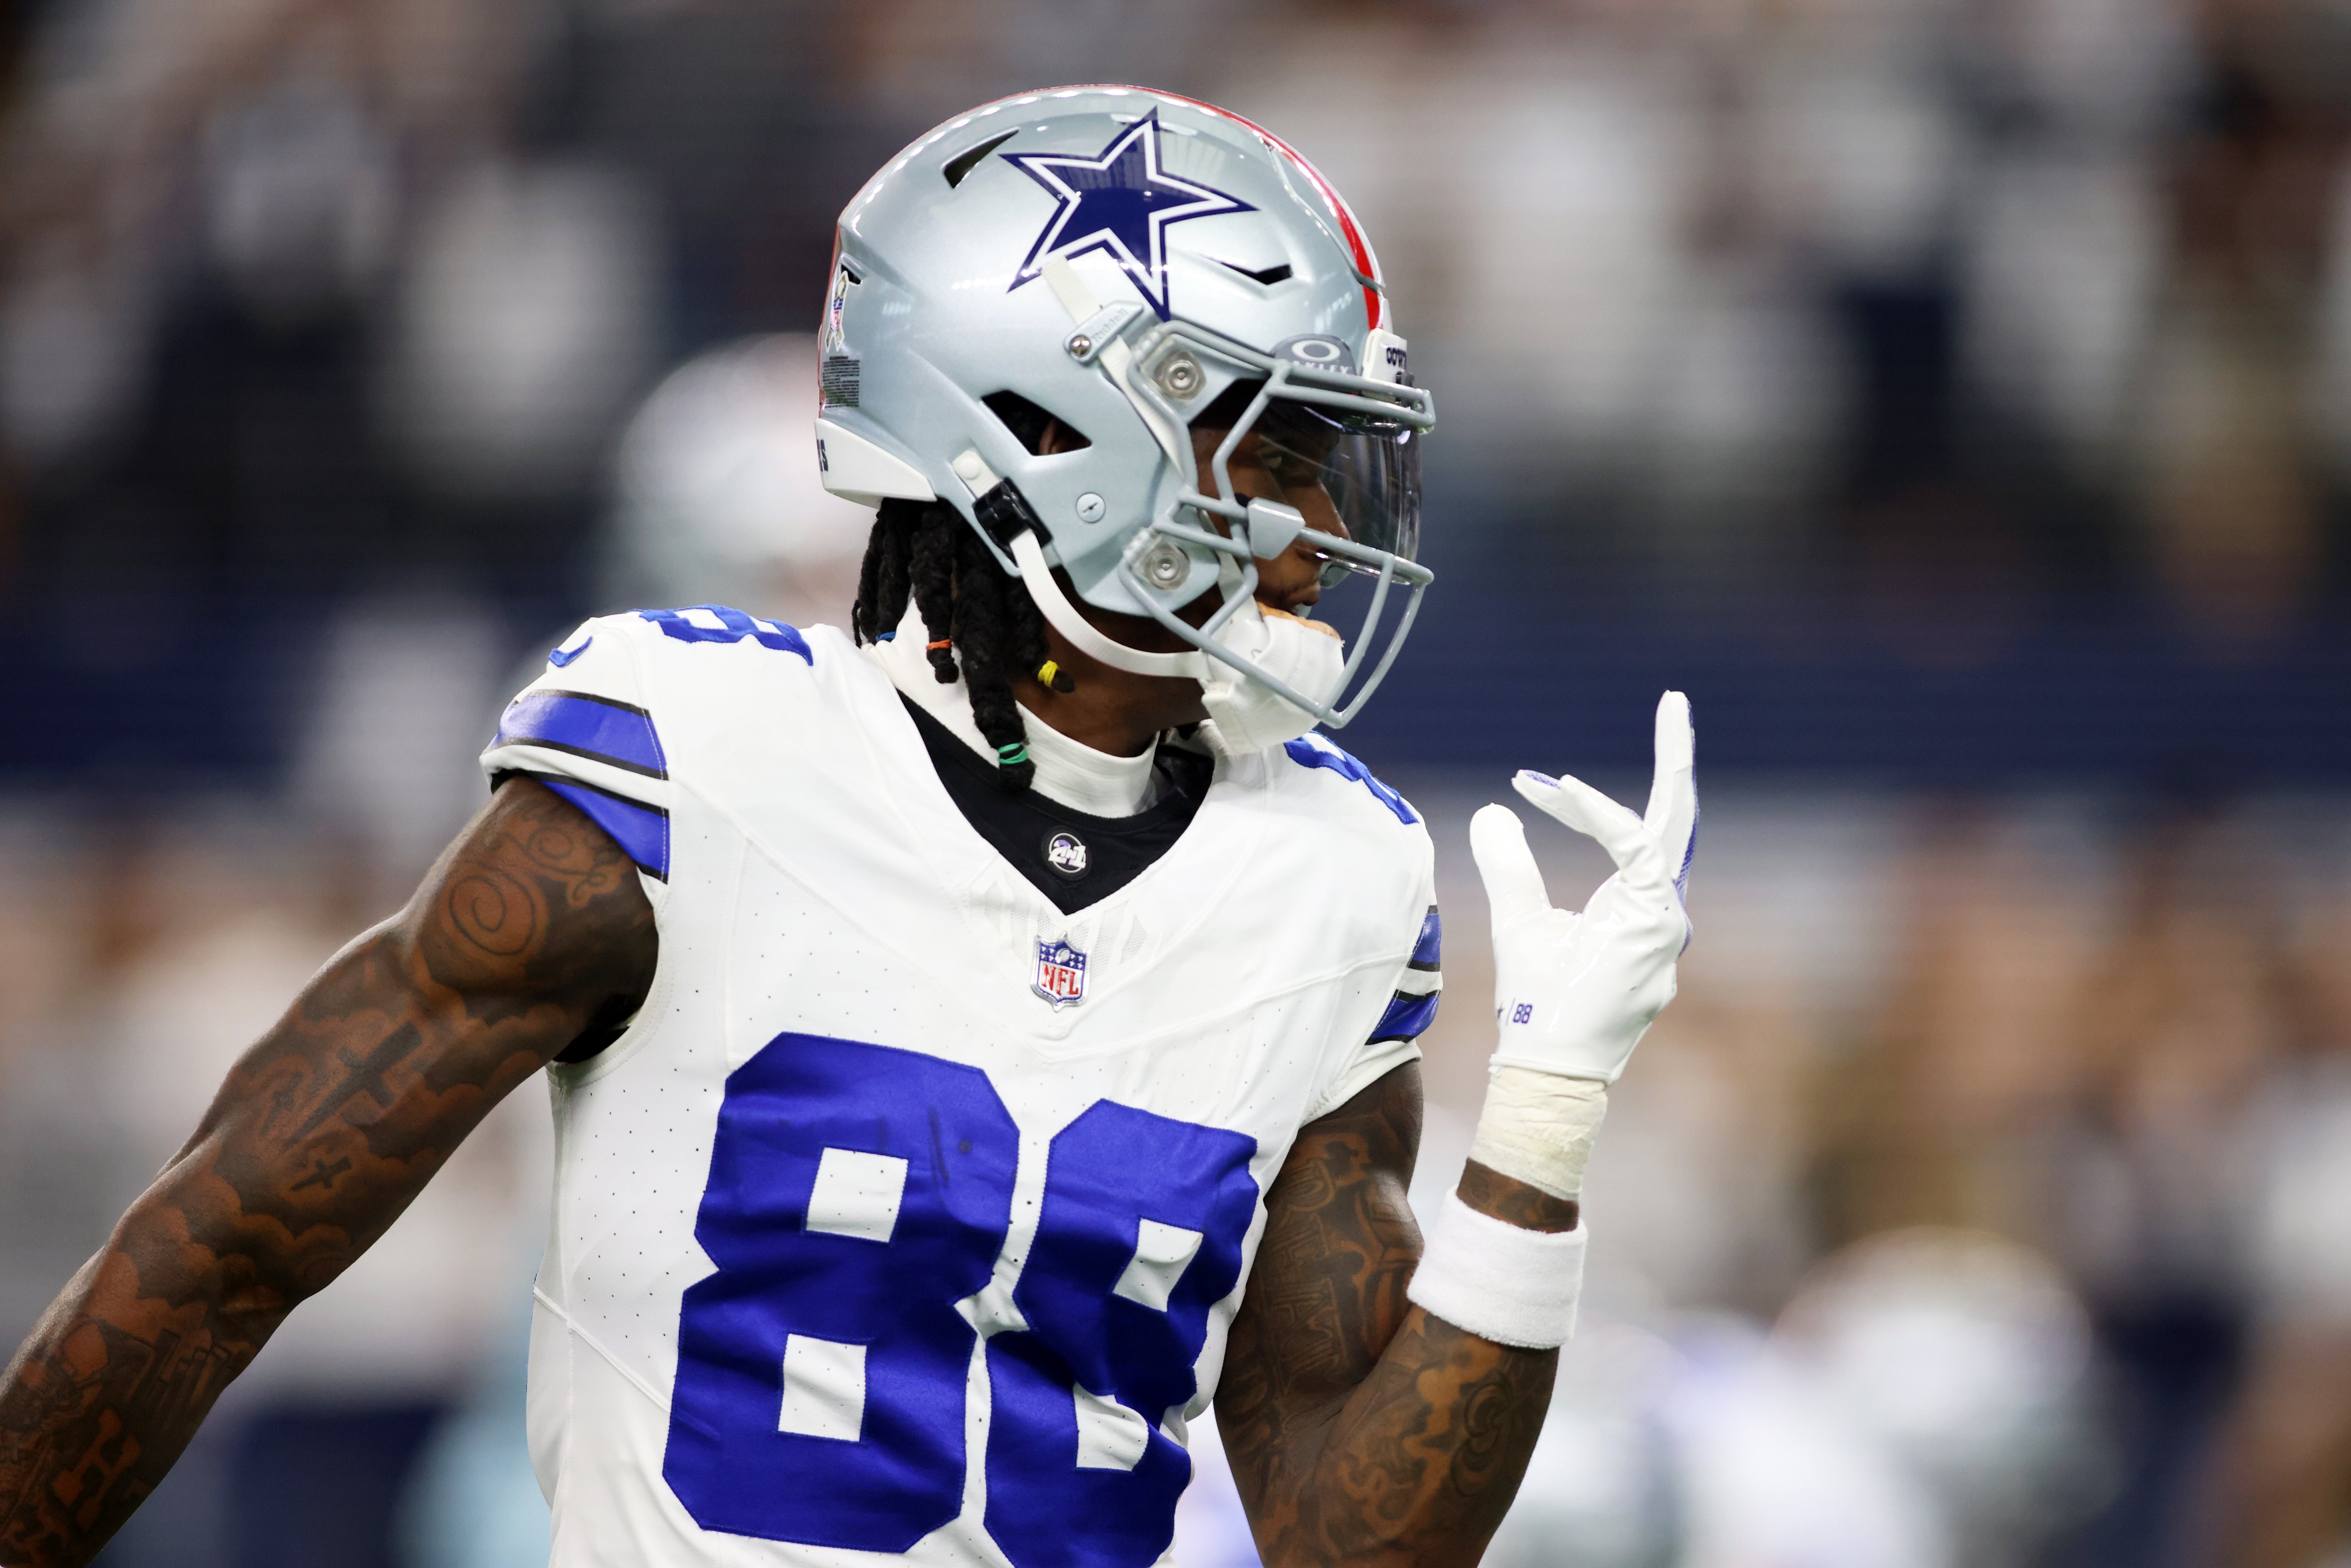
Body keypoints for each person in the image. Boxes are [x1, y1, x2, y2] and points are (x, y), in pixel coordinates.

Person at [0, 86, 1697, 1568]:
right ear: (1045, 428)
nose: (1319, 532)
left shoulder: (1333, 876)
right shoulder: (695, 755)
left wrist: (1535, 1142)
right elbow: (215, 1257)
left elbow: (1354, 1541)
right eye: (1277, 456)